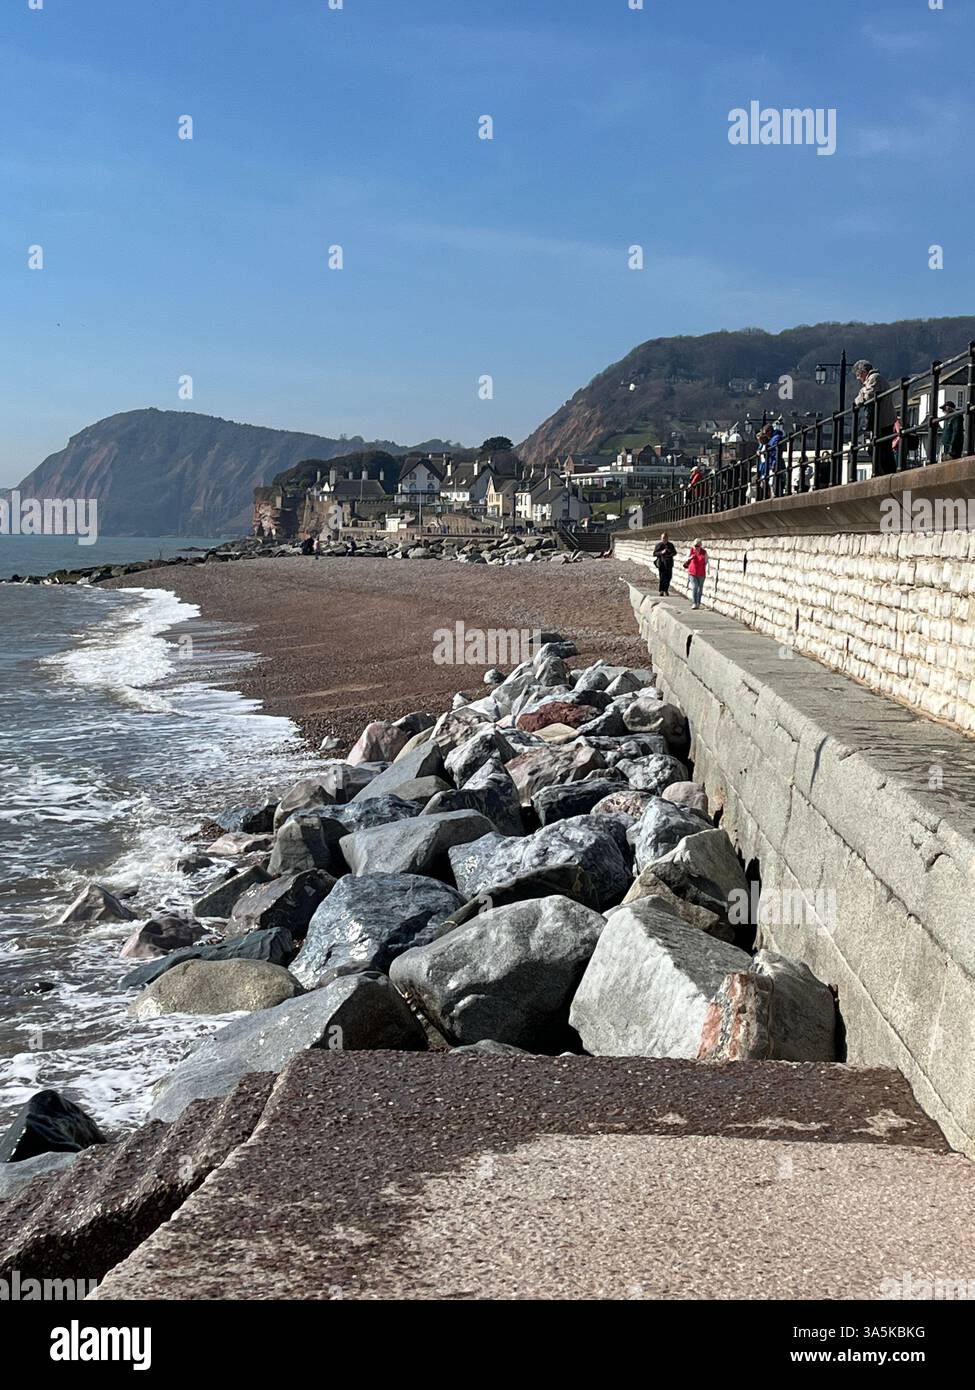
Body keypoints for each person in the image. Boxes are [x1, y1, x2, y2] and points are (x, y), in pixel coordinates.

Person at [853, 359, 897, 475]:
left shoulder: (875, 378)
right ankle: (885, 472)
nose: (859, 379)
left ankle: (887, 472)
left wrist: (861, 394)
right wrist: (862, 393)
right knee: (879, 447)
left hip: (883, 420)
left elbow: (867, 395)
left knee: (881, 448)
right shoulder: (873, 379)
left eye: (858, 376)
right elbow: (863, 394)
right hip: (882, 420)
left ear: (862, 372)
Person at [683, 538, 708, 609]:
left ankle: (698, 603)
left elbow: (706, 561)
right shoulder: (691, 551)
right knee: (695, 587)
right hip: (692, 572)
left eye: (698, 546)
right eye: (695, 546)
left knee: (700, 589)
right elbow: (686, 559)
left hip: (701, 573)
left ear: (700, 545)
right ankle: (694, 603)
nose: (697, 547)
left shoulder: (704, 552)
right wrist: (690, 558)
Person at [653, 532, 676, 596]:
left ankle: (666, 590)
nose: (664, 539)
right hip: (662, 563)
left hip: (669, 564)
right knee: (662, 578)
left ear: (667, 538)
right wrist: (661, 552)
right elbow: (654, 554)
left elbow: (674, 553)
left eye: (666, 538)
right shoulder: (659, 545)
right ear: (661, 538)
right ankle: (661, 590)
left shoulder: (670, 545)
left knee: (669, 577)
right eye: (663, 538)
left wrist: (670, 553)